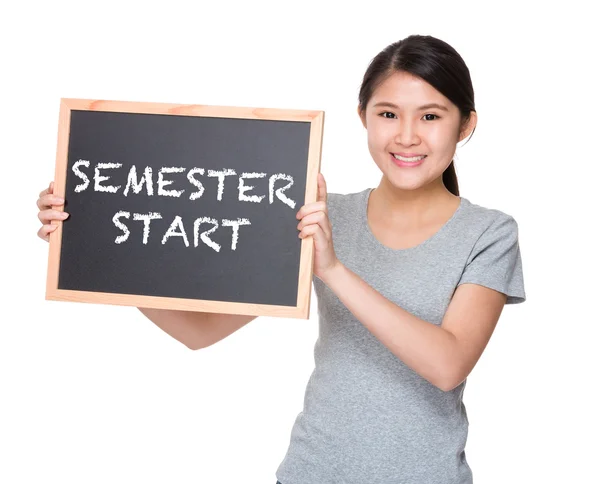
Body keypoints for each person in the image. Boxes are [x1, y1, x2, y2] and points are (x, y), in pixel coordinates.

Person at [37, 34, 526, 484]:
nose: (406, 136)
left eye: (431, 116)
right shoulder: (322, 216)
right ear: (363, 117)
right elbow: (198, 332)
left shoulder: (488, 232)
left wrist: (333, 269)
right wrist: (94, 245)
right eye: (388, 113)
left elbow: (448, 363)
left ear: (466, 125)